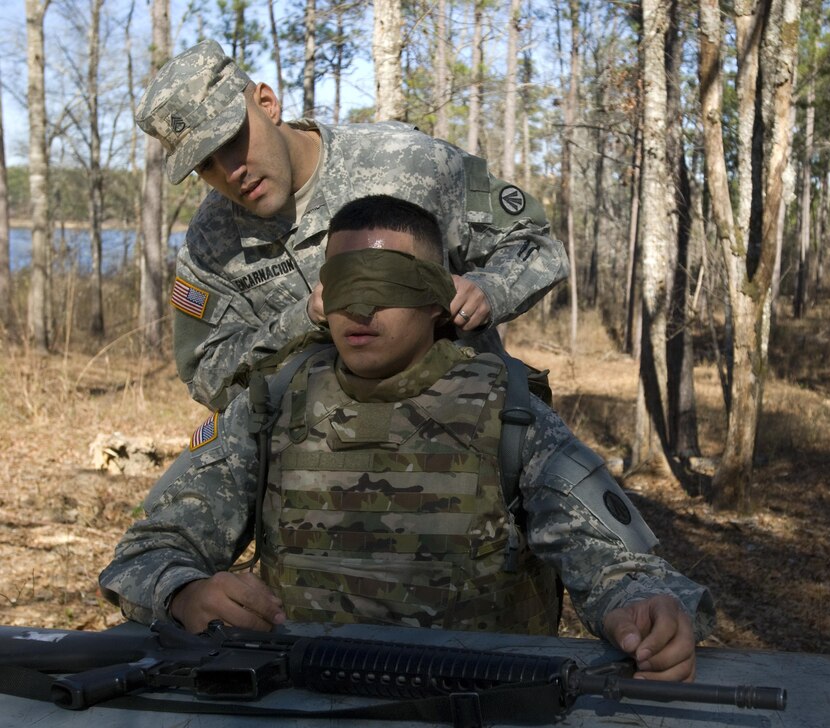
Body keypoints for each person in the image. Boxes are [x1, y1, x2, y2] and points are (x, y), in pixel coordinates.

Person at [99, 195, 714, 682]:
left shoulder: (512, 416)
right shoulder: (269, 405)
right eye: (345, 283)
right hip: (298, 699)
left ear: (438, 296)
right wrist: (185, 593)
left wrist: (647, 614)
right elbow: (148, 551)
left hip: (474, 704)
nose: (360, 310)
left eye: (387, 285)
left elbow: (621, 566)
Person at [137, 39, 568, 410]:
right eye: (206, 165)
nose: (230, 172)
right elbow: (207, 376)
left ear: (267, 104)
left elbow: (536, 244)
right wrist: (302, 319)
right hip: (318, 467)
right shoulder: (211, 244)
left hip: (460, 433)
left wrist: (489, 290)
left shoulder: (408, 162)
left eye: (232, 140)